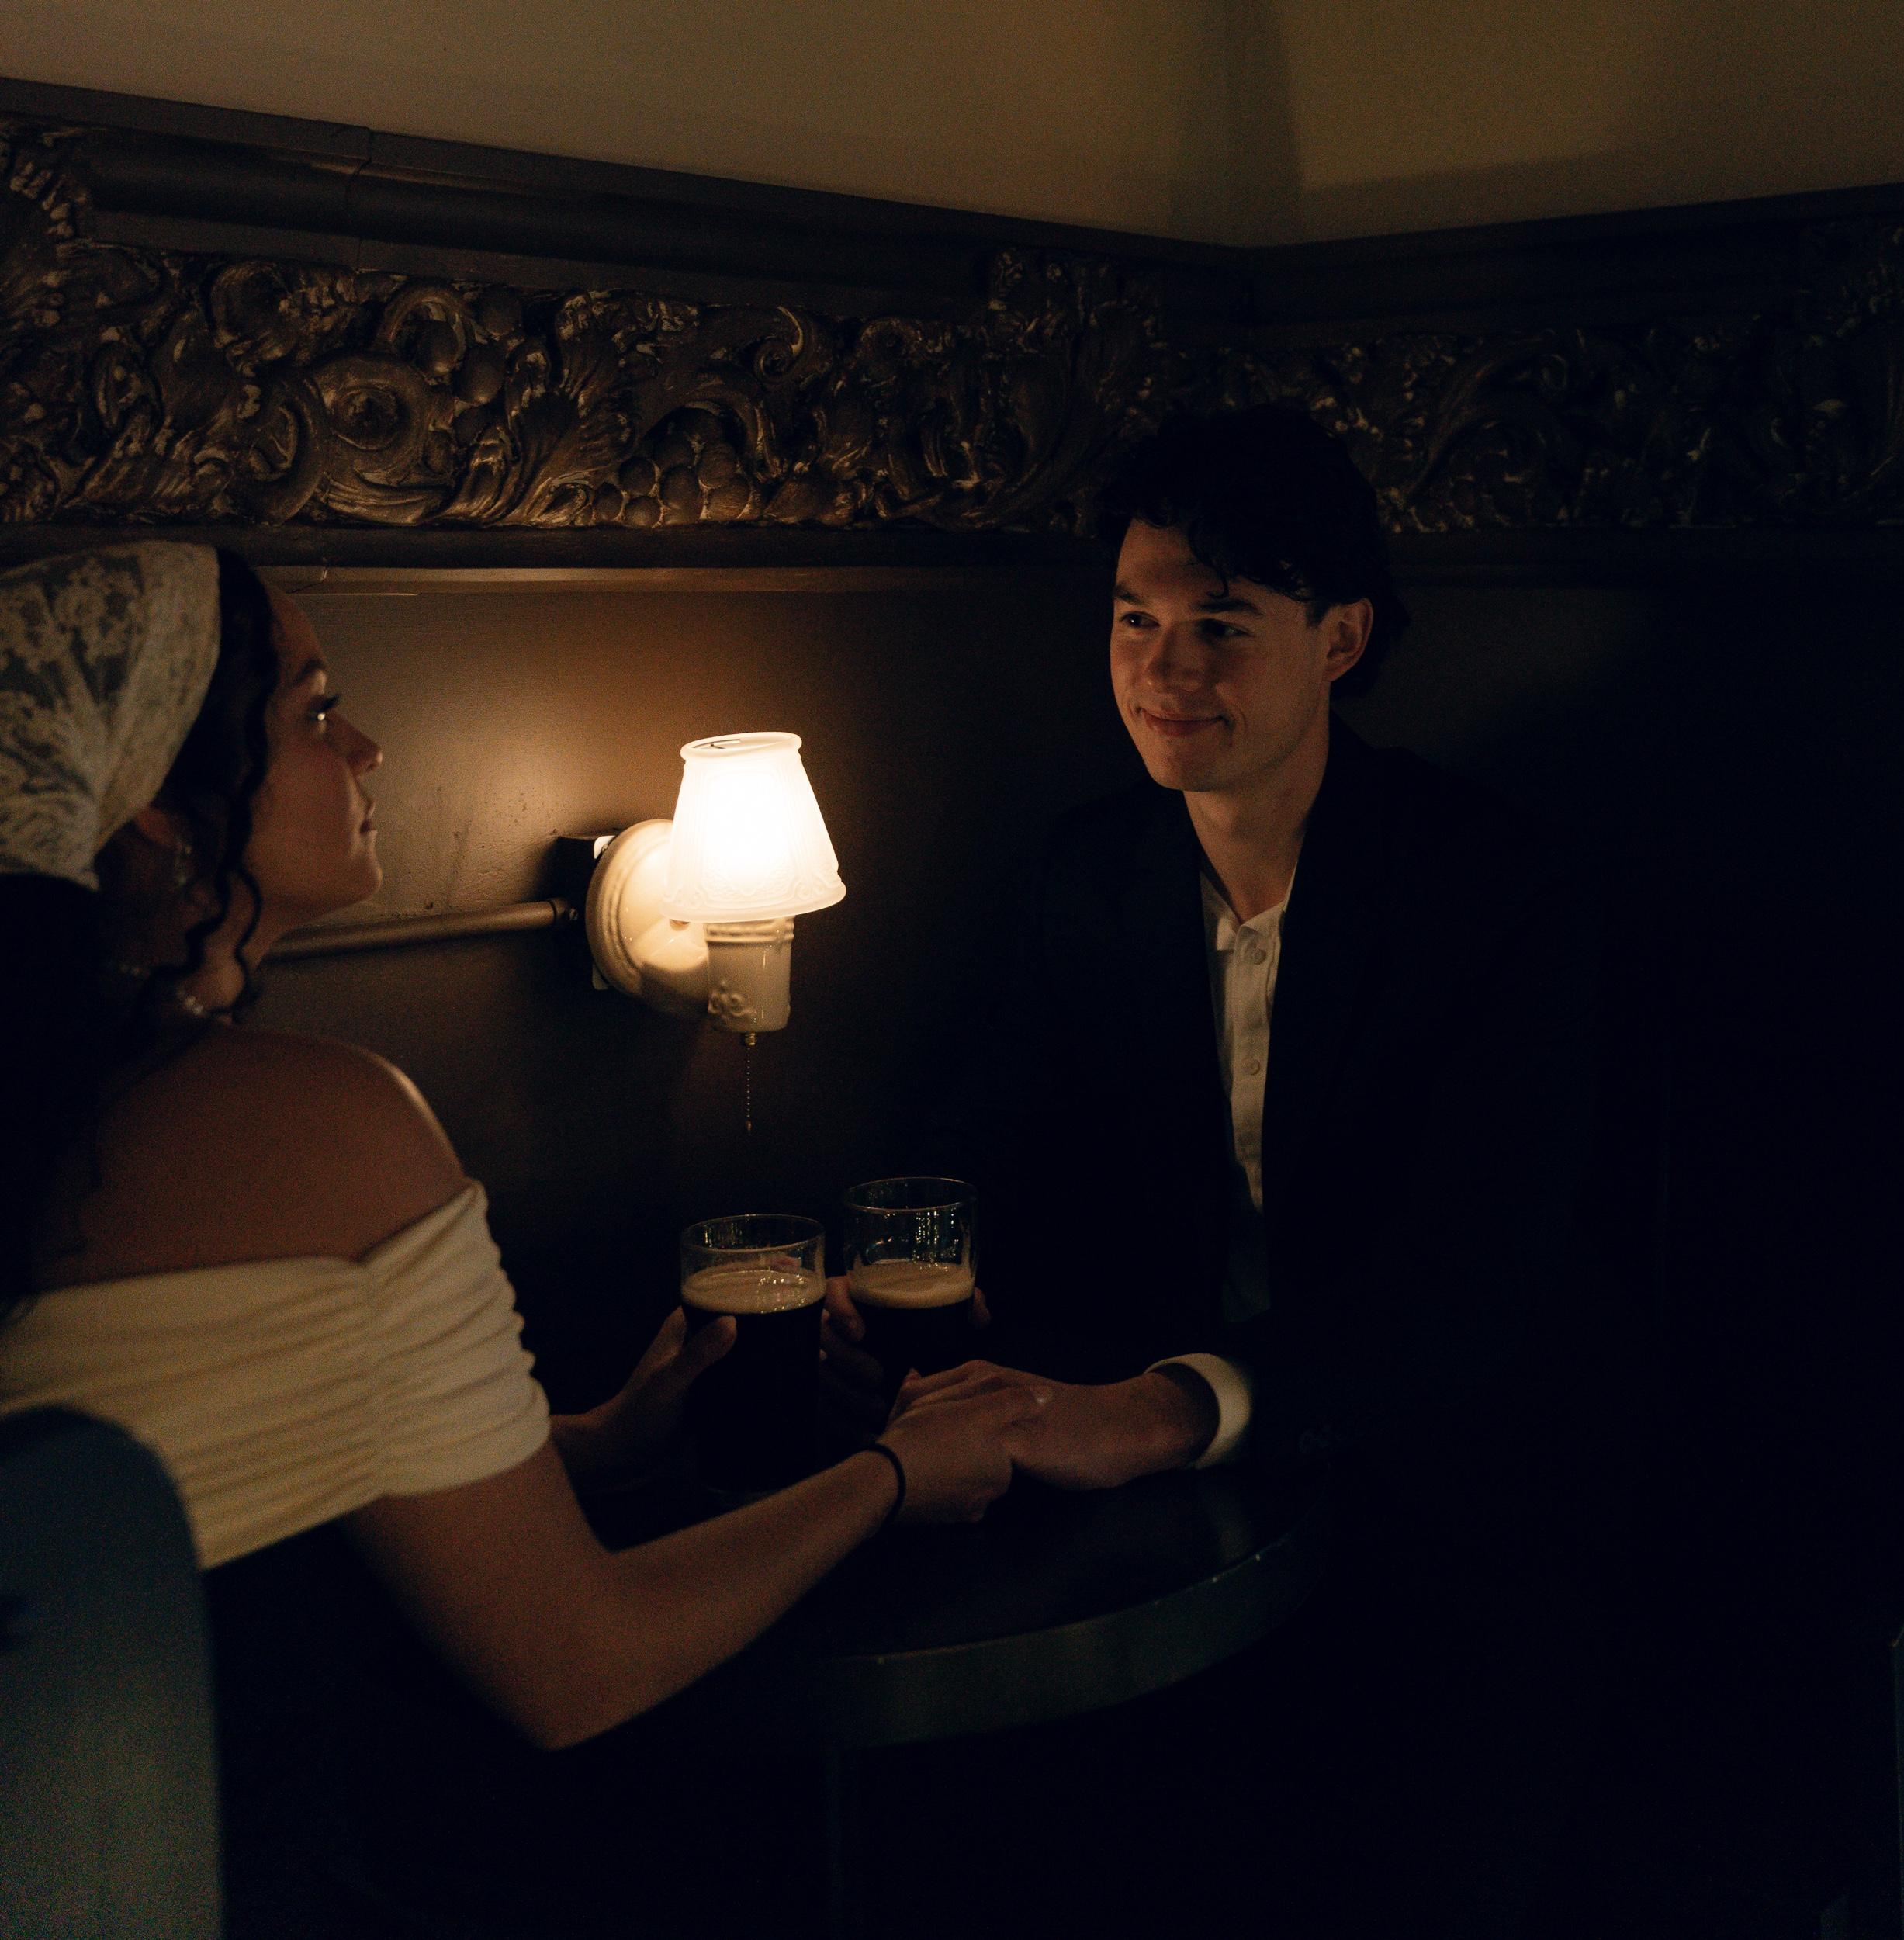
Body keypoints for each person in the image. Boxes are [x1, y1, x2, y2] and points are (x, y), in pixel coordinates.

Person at [0, 542, 1045, 1938]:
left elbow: (212, 1457)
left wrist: (591, 1446)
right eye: (315, 711)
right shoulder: (321, 1126)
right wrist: (896, 1473)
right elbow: (576, 1668)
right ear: (155, 809)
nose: (368, 748)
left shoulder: (47, 1108)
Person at [826, 404, 1611, 1936]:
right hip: (1179, 1507)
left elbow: (1478, 1280)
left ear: (1339, 638)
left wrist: (1167, 1407)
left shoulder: (1490, 885)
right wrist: (910, 1280)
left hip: (1452, 1494)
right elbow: (985, 1136)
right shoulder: (1094, 871)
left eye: (1220, 624)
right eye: (1135, 619)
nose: (1164, 667)